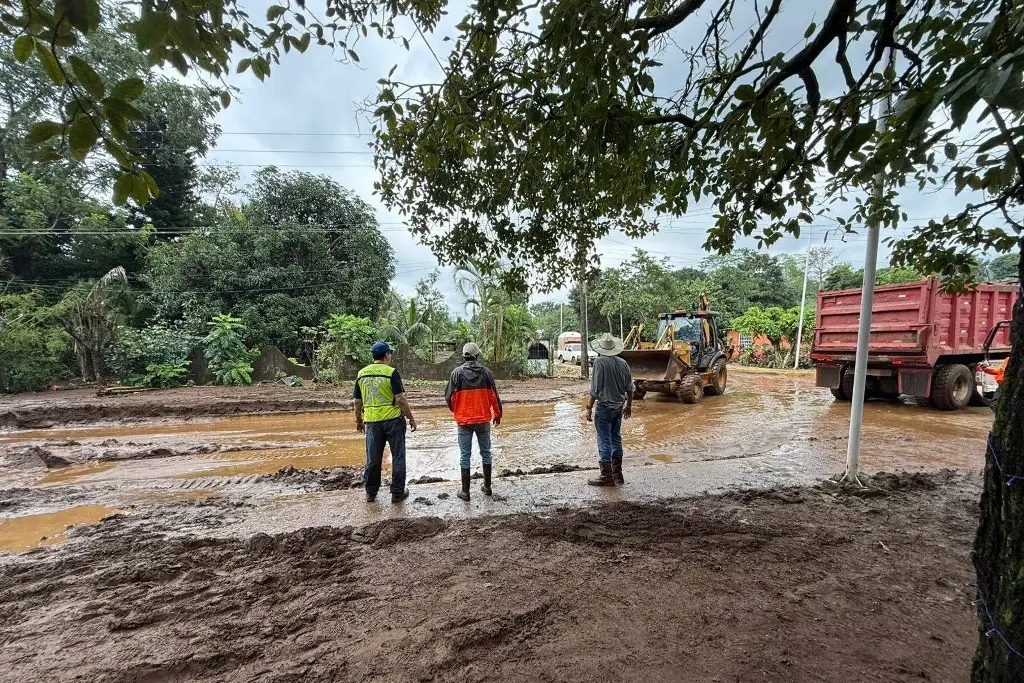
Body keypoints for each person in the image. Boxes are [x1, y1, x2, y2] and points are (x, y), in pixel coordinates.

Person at [354, 342, 417, 503]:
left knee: (373, 459)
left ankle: (371, 493)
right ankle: (397, 494)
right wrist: (410, 418)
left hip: (372, 422)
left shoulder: (361, 374)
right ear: (387, 355)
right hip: (393, 421)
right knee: (398, 457)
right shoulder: (391, 373)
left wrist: (359, 421)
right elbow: (401, 399)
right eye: (390, 353)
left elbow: (357, 402)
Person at [445, 342, 503, 501]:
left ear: (464, 356)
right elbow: (494, 396)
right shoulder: (487, 373)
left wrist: (457, 410)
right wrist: (497, 414)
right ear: (477, 355)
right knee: (486, 453)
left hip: (464, 421)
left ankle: (465, 492)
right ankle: (487, 486)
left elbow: (449, 398)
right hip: (483, 419)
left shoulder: (456, 373)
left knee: (465, 455)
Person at [585, 333, 634, 486]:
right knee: (615, 438)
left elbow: (595, 389)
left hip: (605, 408)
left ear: (601, 349)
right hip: (619, 407)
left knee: (604, 440)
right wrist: (629, 406)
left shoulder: (599, 362)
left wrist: (589, 408)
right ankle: (617, 474)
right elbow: (630, 388)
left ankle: (606, 475)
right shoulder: (623, 363)